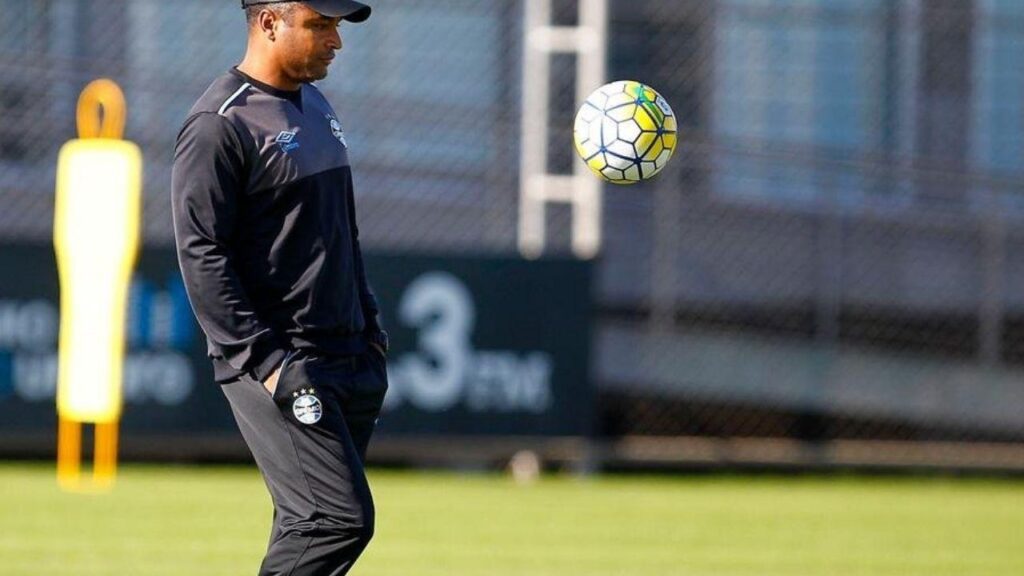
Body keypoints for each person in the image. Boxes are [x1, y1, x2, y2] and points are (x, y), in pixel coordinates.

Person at [171, 1, 387, 574]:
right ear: (270, 23)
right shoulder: (220, 123)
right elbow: (201, 253)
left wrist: (370, 330)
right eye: (321, 25)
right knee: (335, 520)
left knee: (304, 524)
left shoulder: (315, 103)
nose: (336, 41)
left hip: (347, 354)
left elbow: (341, 230)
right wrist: (268, 364)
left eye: (337, 26)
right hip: (281, 362)